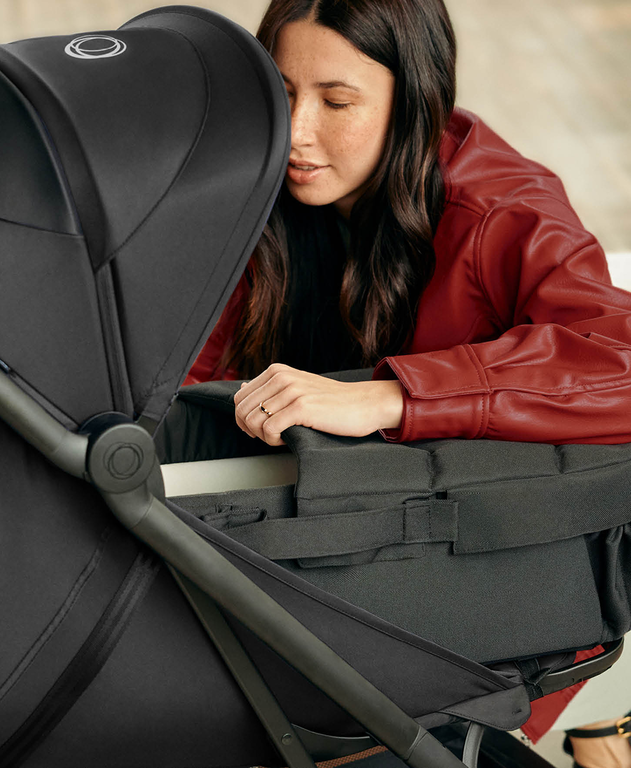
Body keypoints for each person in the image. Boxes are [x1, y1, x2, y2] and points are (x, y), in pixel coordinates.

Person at [184, 0, 631, 764]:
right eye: (281, 92)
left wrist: (391, 397)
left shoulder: (499, 208)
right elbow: (184, 378)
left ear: (414, 103)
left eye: (336, 102)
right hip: (318, 552)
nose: (297, 131)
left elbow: (616, 358)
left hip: (478, 575)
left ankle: (598, 717)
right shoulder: (253, 187)